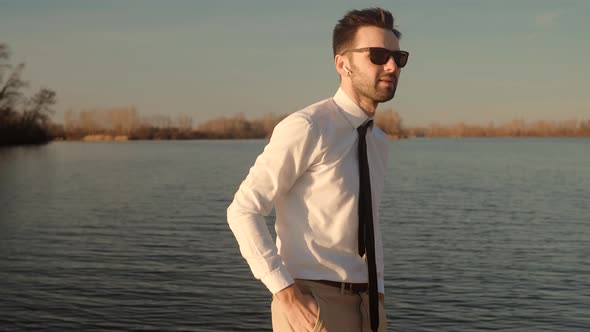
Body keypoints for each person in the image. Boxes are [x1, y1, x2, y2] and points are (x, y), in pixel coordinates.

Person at [227, 7, 408, 332]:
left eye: (399, 57)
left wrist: (378, 296)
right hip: (315, 303)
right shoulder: (307, 127)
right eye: (379, 55)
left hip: (369, 308)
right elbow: (243, 210)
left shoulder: (378, 141)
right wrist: (286, 294)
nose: (392, 66)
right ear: (343, 64)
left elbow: (367, 225)